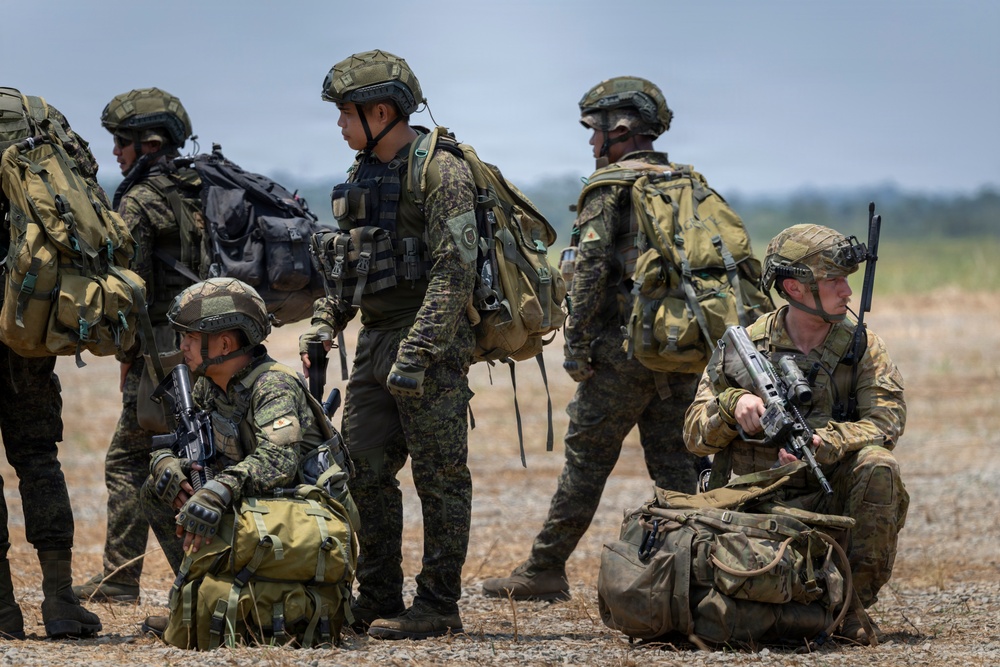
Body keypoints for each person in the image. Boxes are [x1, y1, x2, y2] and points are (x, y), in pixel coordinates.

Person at [482, 76, 707, 602]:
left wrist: (577, 347)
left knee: (585, 462)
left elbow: (588, 271)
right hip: (679, 349)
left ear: (620, 130)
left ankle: (544, 569)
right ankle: (699, 568)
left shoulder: (609, 187)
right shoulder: (688, 184)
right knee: (677, 467)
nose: (590, 142)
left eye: (595, 131)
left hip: (620, 354)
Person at [299, 49, 478, 640]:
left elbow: (455, 272)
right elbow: (350, 267)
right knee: (362, 470)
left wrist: (419, 351)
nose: (339, 124)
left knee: (440, 477)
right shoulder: (362, 173)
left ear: (381, 112)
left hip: (431, 345)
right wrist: (325, 322)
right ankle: (377, 594)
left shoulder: (441, 173)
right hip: (376, 342)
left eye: (346, 113)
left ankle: (439, 604)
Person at [682, 223, 909, 643]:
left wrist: (827, 443)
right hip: (755, 497)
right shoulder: (745, 347)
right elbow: (695, 437)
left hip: (828, 492)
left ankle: (850, 607)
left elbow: (887, 421)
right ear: (795, 287)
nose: (847, 291)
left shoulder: (861, 347)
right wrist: (731, 407)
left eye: (847, 280)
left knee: (880, 465)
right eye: (834, 280)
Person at [137, 277, 355, 635]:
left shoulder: (273, 385)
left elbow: (278, 461)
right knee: (158, 489)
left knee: (210, 502)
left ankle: (266, 605)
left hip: (300, 511)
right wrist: (166, 464)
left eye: (190, 336)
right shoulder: (210, 384)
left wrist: (219, 490)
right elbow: (175, 446)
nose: (182, 345)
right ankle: (199, 598)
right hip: (259, 503)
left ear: (224, 343)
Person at [74, 88, 198, 603]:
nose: (115, 153)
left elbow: (132, 290)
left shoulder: (140, 200)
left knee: (131, 461)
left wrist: (129, 357)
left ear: (149, 144)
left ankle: (128, 578)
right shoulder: (204, 185)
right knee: (196, 457)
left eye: (122, 143)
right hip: (216, 346)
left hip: (163, 353)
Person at [0, 88, 102, 639]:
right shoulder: (35, 115)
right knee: (39, 458)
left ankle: (3, 612)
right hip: (26, 314)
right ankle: (60, 600)